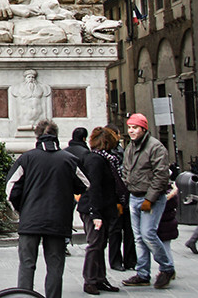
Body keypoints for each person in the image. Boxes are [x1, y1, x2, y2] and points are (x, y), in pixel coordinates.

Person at [6, 119, 90, 298]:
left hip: (30, 220)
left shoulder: (26, 158)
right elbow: (84, 184)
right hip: (58, 220)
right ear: (56, 135)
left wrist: (21, 210)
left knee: (27, 264)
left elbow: (11, 189)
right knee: (55, 266)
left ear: (37, 135)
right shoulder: (69, 159)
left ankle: (24, 296)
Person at [121, 112, 175, 289]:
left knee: (148, 234)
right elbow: (126, 169)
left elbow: (161, 175)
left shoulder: (155, 147)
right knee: (138, 237)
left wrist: (150, 199)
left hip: (150, 199)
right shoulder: (130, 147)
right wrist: (127, 184)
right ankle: (143, 273)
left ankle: (167, 268)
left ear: (143, 129)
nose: (131, 131)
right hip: (134, 196)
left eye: (135, 127)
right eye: (129, 127)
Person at [79, 126, 122, 294]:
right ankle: (89, 280)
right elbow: (94, 187)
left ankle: (99, 279)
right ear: (106, 142)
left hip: (102, 208)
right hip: (94, 209)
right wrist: (95, 213)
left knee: (101, 243)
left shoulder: (105, 159)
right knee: (95, 243)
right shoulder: (95, 160)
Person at [104, 124, 138, 272]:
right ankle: (116, 260)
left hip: (127, 194)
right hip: (115, 196)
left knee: (128, 229)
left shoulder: (123, 150)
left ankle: (130, 260)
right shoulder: (108, 153)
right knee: (116, 230)